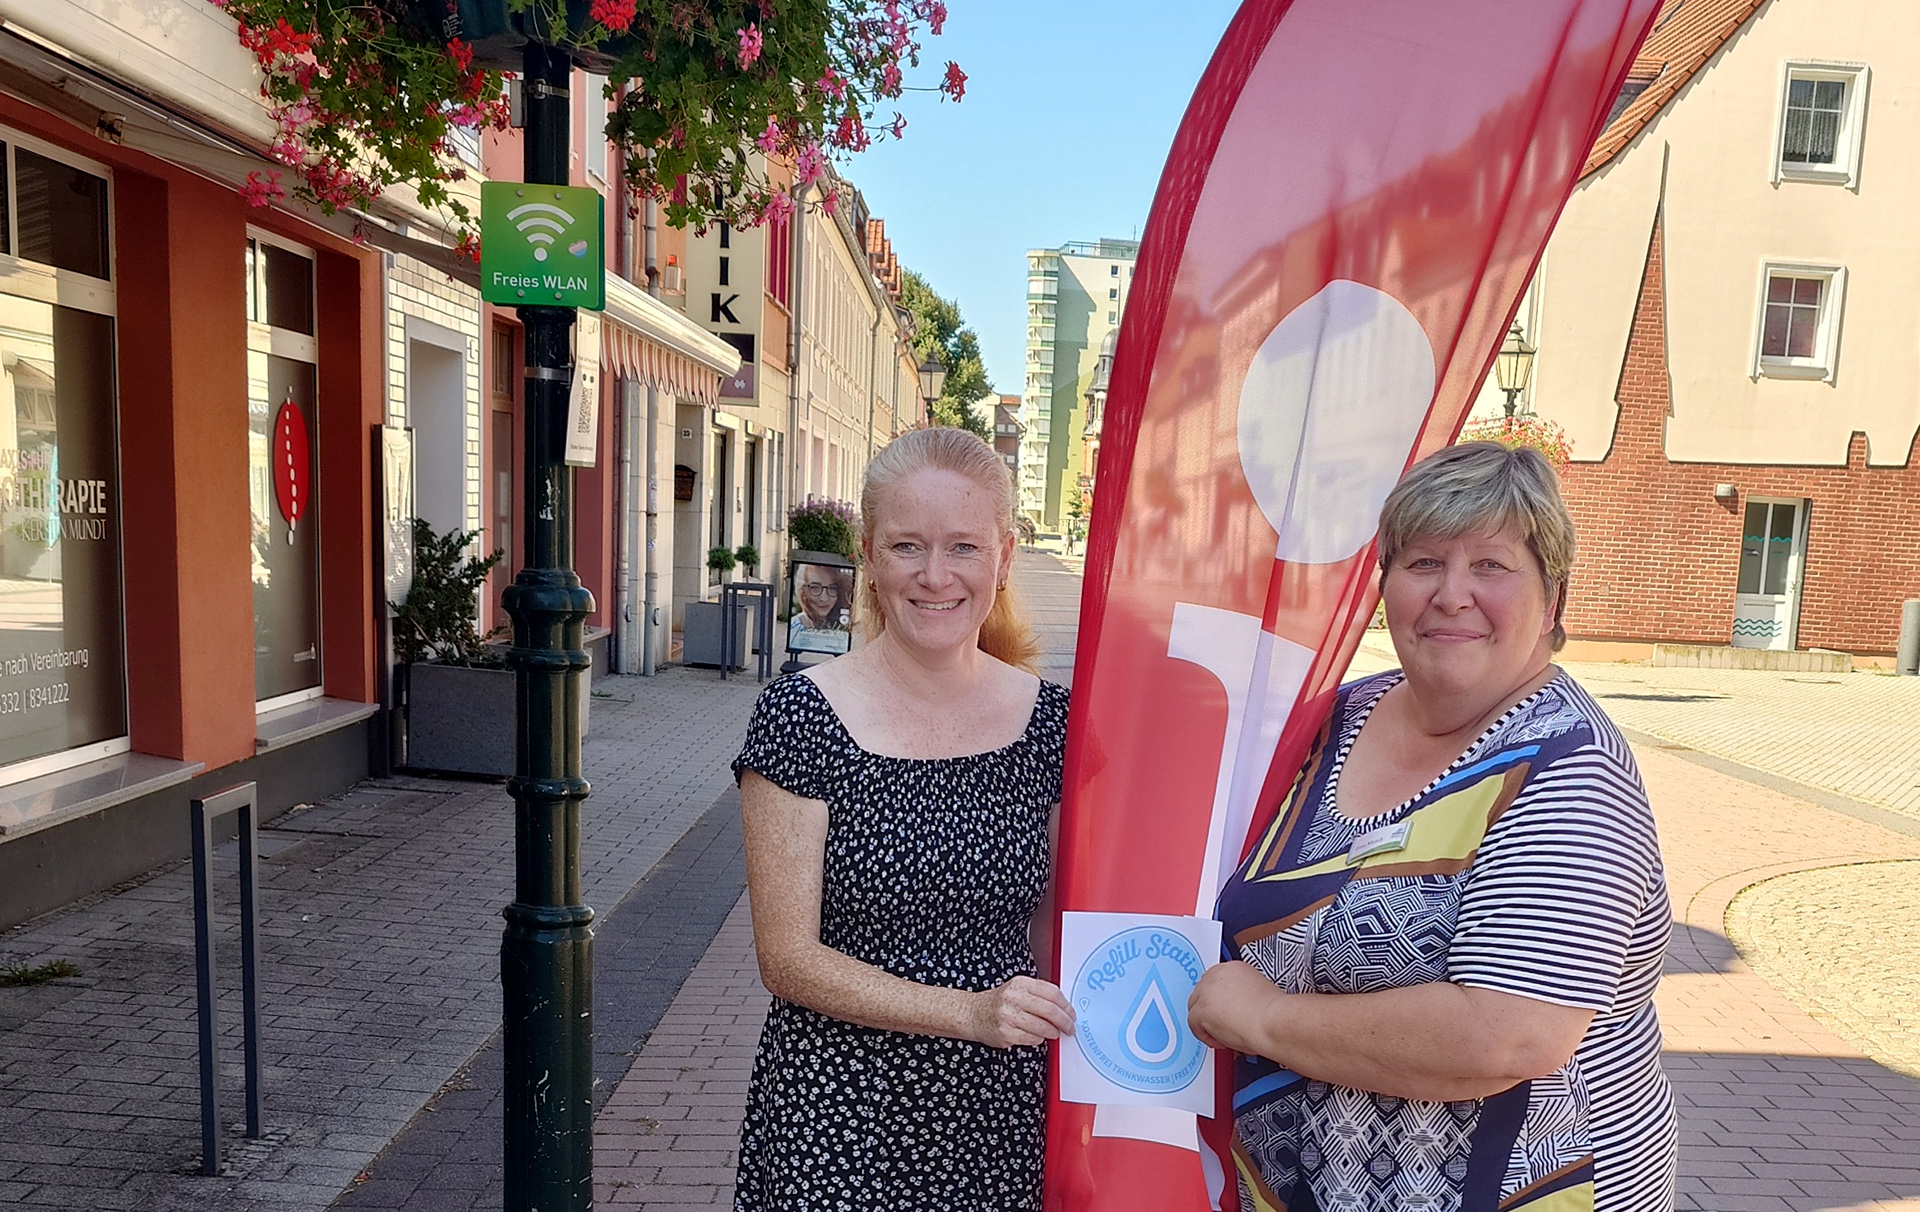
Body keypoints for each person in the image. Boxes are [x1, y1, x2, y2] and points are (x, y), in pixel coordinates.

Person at [1189, 442, 1674, 1212]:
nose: (1452, 594)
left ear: (1553, 600)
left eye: (1491, 566)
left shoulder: (1571, 770)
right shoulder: (1335, 716)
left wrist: (1265, 1019)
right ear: (1384, 586)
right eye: (1422, 563)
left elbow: (1505, 1035)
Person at [732, 426, 1073, 1211]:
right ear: (870, 555)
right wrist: (968, 1012)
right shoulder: (800, 718)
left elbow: (1062, 934)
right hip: (838, 1111)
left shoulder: (1054, 724)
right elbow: (786, 958)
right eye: (908, 546)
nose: (935, 576)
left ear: (1003, 557)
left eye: (963, 547)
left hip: (1001, 1116)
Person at [787, 561, 854, 654]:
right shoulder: (794, 629)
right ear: (803, 591)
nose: (824, 598)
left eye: (832, 588)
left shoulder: (840, 626)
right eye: (815, 588)